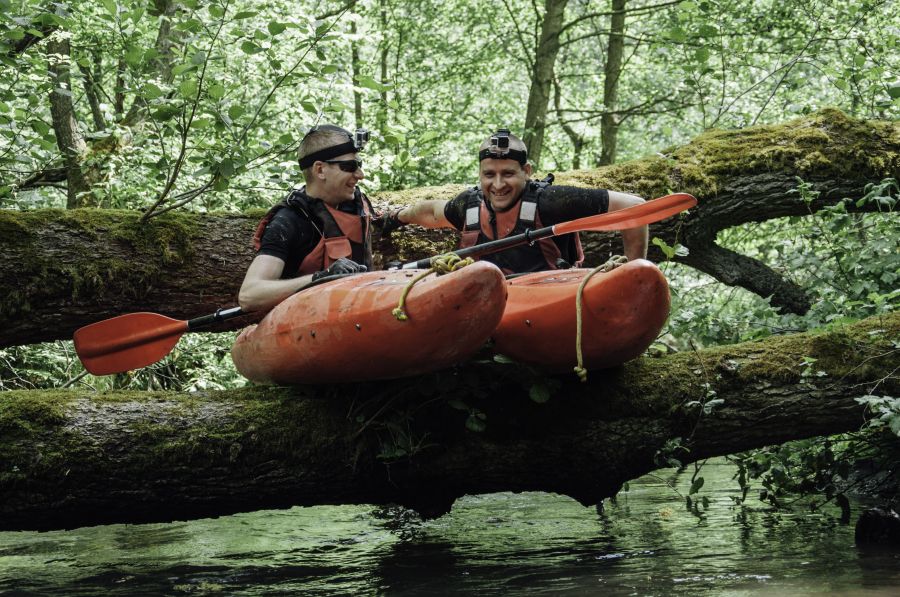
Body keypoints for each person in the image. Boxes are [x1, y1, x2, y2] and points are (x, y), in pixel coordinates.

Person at [380, 129, 648, 274]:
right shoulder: (468, 205)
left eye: (508, 173)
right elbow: (431, 213)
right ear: (480, 174)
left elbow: (635, 208)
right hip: (490, 302)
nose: (497, 185)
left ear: (527, 172)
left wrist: (633, 271)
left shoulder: (552, 201)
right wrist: (396, 216)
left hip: (549, 298)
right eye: (489, 175)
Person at [238, 124, 373, 312]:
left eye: (359, 165)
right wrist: (322, 277)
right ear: (320, 170)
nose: (360, 175)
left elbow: (387, 220)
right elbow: (249, 295)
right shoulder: (289, 220)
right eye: (349, 166)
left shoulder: (355, 208)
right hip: (309, 327)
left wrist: (418, 211)